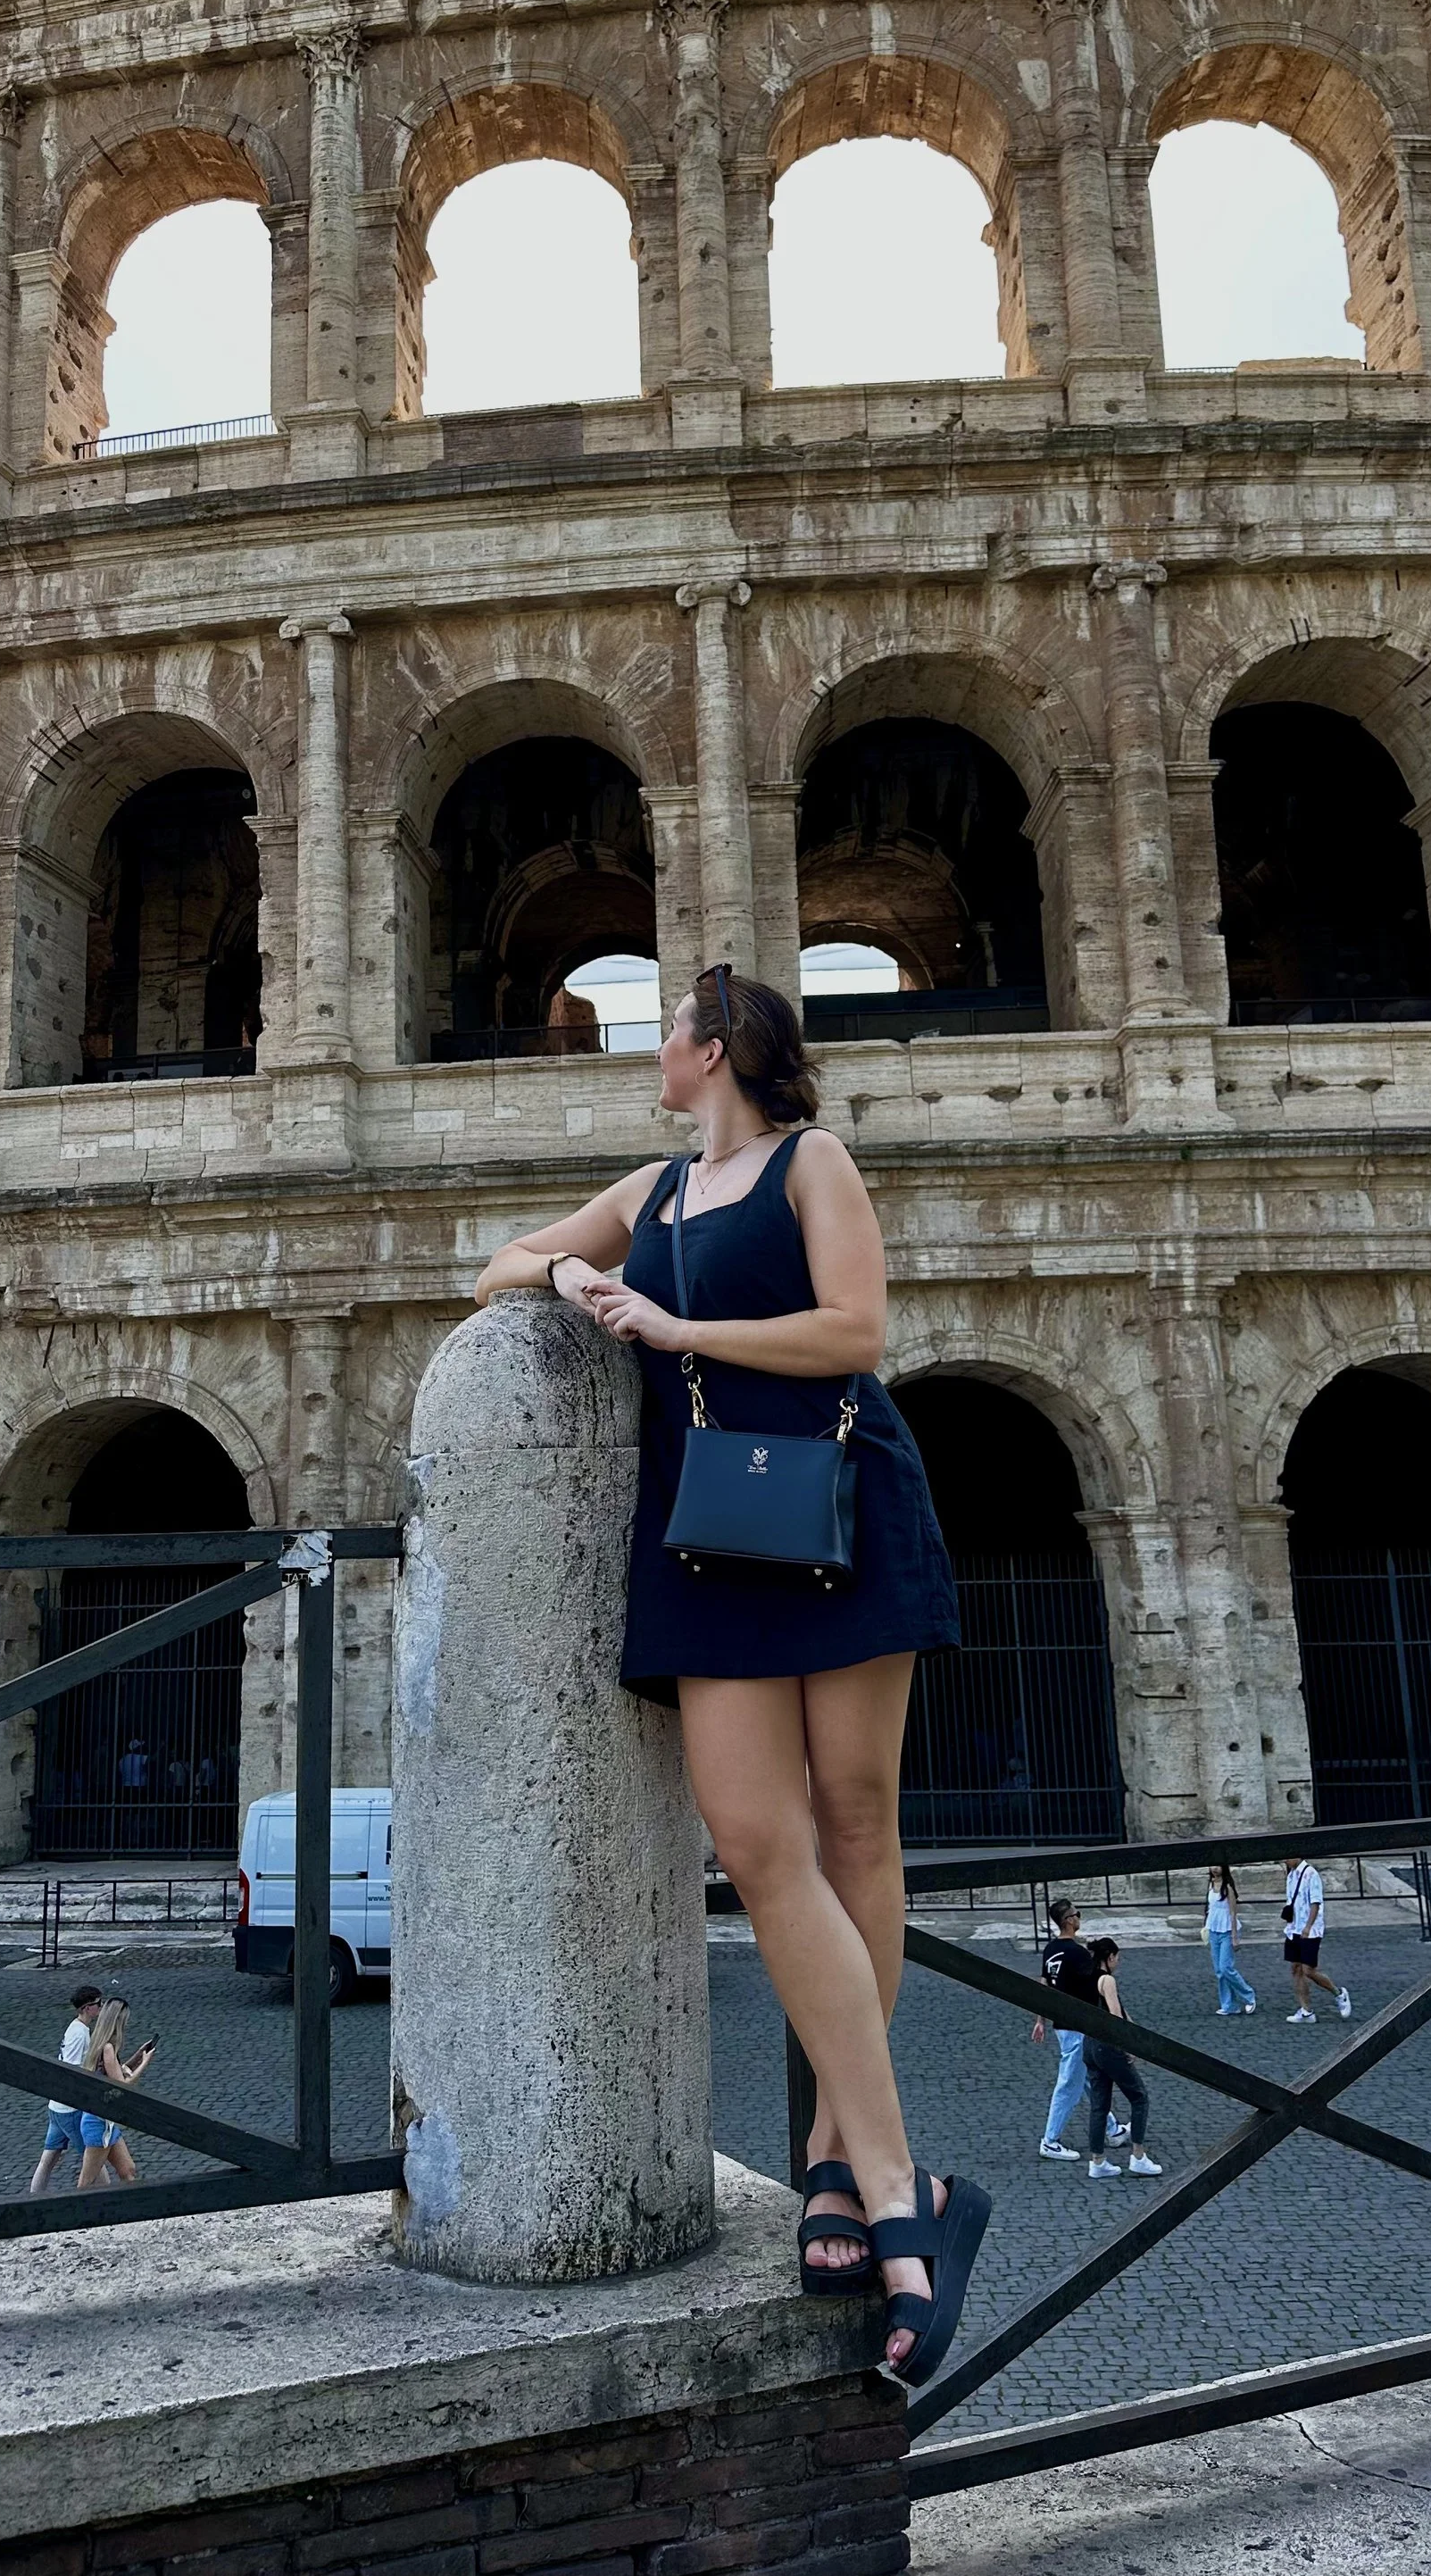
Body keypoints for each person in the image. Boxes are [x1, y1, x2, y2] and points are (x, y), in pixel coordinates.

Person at [472, 963, 991, 2388]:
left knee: (856, 1821)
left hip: (835, 1494)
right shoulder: (650, 1193)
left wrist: (679, 1331)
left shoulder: (814, 1160)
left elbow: (855, 1333)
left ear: (717, 1047)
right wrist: (582, 1276)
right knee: (759, 1843)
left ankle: (848, 2164)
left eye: (668, 1030)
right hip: (711, 1527)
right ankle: (909, 2193)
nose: (655, 1049)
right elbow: (499, 1262)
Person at [1034, 1897, 1119, 2158]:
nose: (1079, 1918)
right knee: (1070, 2082)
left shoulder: (1050, 1950)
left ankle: (1113, 2129)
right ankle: (1050, 2140)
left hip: (1061, 2024)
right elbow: (1098, 1983)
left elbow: (1044, 1985)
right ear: (1069, 1920)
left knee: (1086, 2080)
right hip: (1078, 2024)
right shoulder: (1079, 1954)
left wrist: (1040, 2020)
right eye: (1077, 1914)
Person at [1082, 1940, 1164, 2180]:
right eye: (1117, 1957)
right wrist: (1126, 2046)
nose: (1118, 1962)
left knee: (1100, 2105)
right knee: (1139, 2097)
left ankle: (1098, 2161)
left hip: (1089, 2044)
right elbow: (1116, 2017)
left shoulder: (1085, 1978)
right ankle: (1138, 2157)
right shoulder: (1107, 1980)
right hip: (1107, 2046)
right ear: (1109, 1957)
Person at [75, 1993, 157, 2188]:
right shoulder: (108, 2048)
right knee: (86, 2183)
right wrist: (145, 2063)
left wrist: (138, 2056)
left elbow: (115, 2073)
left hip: (104, 2122)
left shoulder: (101, 2044)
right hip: (99, 2124)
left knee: (128, 2170)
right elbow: (122, 2086)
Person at [29, 1982, 103, 2195]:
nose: (101, 2007)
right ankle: (108, 2196)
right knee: (94, 2157)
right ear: (87, 2007)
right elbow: (71, 2071)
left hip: (57, 2107)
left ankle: (35, 2198)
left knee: (49, 2158)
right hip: (71, 2109)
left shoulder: (76, 2028)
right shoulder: (80, 2033)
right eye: (99, 2004)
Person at [1282, 1851, 1352, 2022]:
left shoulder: (1311, 1874)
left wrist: (1308, 1927)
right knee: (1296, 1969)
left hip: (1310, 1930)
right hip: (1293, 1929)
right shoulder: (1291, 1875)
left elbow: (1315, 1902)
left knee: (1309, 1970)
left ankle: (1338, 1993)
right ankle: (1306, 2011)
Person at [1204, 1863, 1258, 2016]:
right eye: (1212, 1866)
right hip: (1214, 1930)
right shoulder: (1210, 1884)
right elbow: (1210, 1908)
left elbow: (1233, 1913)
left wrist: (1235, 1936)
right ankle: (1229, 2005)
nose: (1214, 1869)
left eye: (1218, 1866)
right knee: (1219, 1971)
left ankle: (1249, 1996)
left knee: (1226, 1967)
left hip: (1227, 1930)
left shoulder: (1227, 1887)